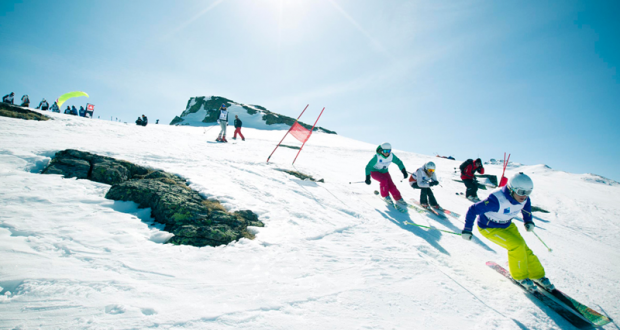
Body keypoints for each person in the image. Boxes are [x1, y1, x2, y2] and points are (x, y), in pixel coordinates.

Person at [461, 172, 554, 291]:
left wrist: (528, 221)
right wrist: (467, 229)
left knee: (524, 248)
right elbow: (473, 209)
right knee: (516, 246)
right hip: (489, 228)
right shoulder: (496, 200)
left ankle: (537, 275)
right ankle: (520, 277)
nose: (524, 196)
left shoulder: (524, 198)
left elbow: (526, 208)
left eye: (528, 192)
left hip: (507, 225)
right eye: (521, 192)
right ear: (511, 189)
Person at [365, 142, 409, 209]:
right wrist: (368, 177)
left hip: (385, 172)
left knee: (391, 184)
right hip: (374, 172)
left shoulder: (391, 156)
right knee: (384, 180)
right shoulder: (377, 157)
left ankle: (398, 198)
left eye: (388, 151)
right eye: (385, 151)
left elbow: (399, 162)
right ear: (381, 150)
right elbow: (368, 167)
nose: (386, 153)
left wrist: (404, 171)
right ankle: (385, 196)